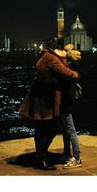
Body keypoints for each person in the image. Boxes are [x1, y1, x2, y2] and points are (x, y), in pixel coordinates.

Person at [18, 42, 79, 170]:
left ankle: (40, 157)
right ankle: (40, 157)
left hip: (39, 98)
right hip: (47, 100)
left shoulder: (44, 56)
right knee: (51, 130)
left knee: (39, 129)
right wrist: (76, 74)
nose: (63, 52)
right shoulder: (52, 59)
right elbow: (67, 74)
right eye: (61, 50)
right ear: (56, 50)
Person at [59, 44, 82, 169]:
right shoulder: (73, 65)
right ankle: (67, 153)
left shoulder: (70, 67)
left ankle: (77, 157)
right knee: (65, 128)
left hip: (66, 100)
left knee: (70, 129)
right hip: (67, 99)